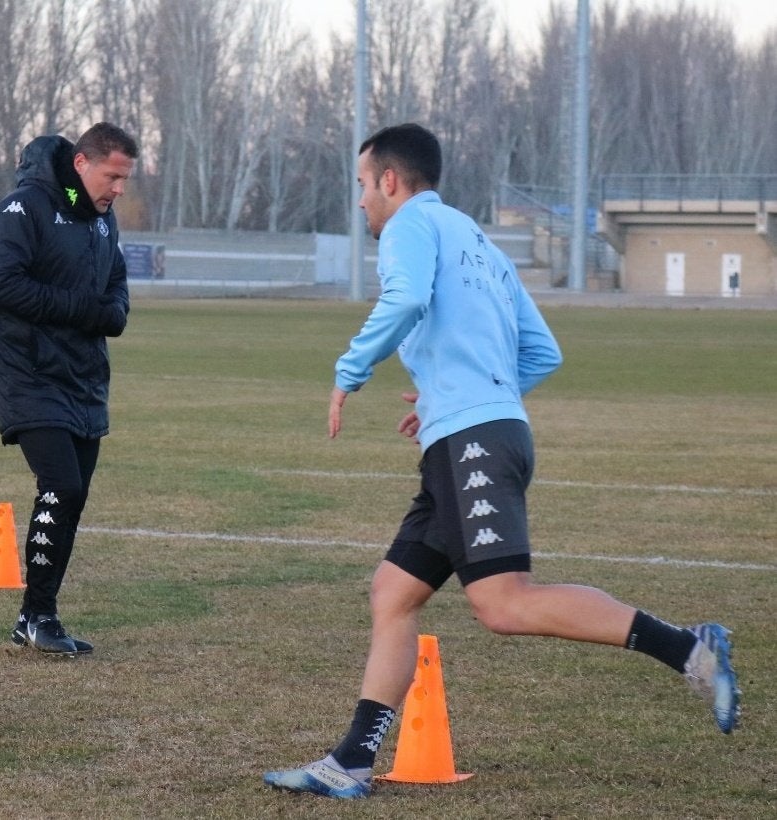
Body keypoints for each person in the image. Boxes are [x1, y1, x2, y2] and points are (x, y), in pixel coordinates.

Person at [264, 123, 740, 801]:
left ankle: (690, 649)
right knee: (393, 594)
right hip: (480, 434)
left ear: (390, 182)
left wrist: (350, 371)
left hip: (472, 442)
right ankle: (350, 763)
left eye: (363, 187)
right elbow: (541, 352)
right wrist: (451, 394)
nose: (362, 202)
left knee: (503, 604)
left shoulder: (407, 228)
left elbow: (403, 300)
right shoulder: (477, 240)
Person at [0, 122, 137, 656]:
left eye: (124, 180)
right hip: (30, 376)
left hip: (84, 379)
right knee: (61, 486)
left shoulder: (101, 220)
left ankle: (37, 619)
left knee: (73, 498)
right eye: (113, 176)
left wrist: (112, 312)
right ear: (81, 164)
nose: (118, 189)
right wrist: (83, 311)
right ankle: (37, 614)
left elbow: (115, 289)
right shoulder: (24, 209)